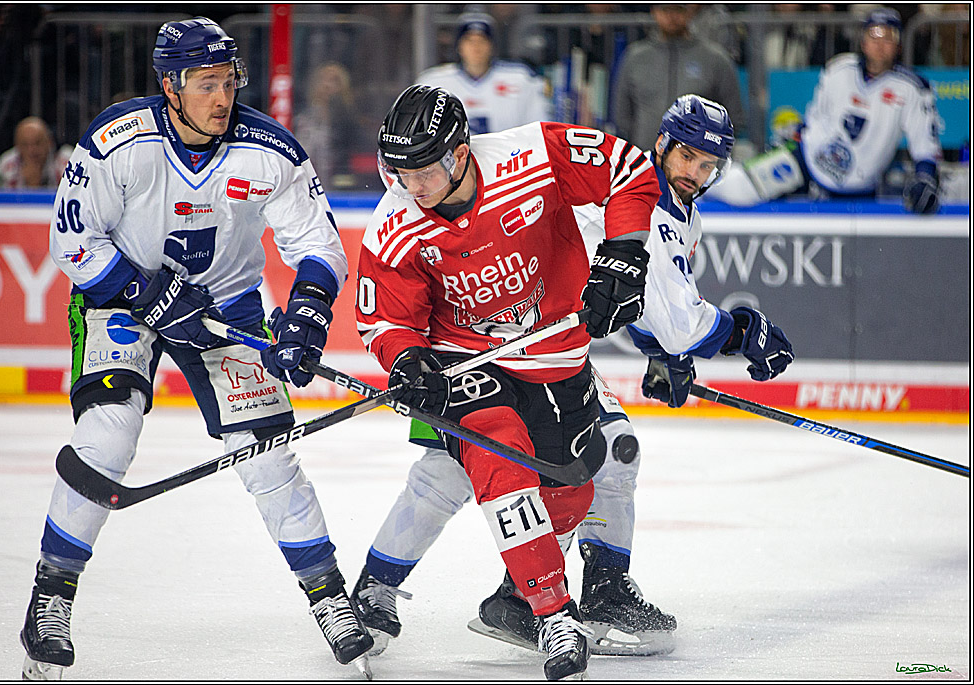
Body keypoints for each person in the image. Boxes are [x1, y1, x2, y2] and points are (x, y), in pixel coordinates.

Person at [346, 94, 797, 668]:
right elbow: (673, 315)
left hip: (550, 352)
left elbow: (629, 293)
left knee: (569, 462)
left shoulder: (664, 205)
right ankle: (562, 594)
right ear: (663, 144)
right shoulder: (641, 205)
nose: (695, 173)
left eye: (708, 165)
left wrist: (660, 350)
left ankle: (518, 592)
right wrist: (737, 333)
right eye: (687, 157)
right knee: (487, 467)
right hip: (470, 355)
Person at [19, 17, 374, 680]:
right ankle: (51, 596)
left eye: (228, 80)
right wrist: (142, 290)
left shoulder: (270, 150)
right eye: (206, 83)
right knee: (108, 435)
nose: (222, 96)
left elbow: (318, 245)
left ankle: (330, 598)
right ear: (170, 86)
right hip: (120, 299)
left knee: (270, 459)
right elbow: (73, 241)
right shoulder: (117, 140)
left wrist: (306, 316)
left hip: (229, 306)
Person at [354, 84, 660, 680]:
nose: (409, 185)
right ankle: (553, 609)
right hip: (463, 365)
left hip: (554, 357)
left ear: (460, 154)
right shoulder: (395, 221)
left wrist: (625, 254)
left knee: (574, 482)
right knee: (498, 456)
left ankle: (513, 600)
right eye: (399, 170)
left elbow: (631, 170)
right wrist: (407, 361)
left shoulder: (534, 155)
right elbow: (385, 317)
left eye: (421, 170)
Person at [708, 8, 944, 214]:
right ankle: (690, 184)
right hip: (806, 158)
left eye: (888, 37)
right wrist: (797, 136)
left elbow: (925, 143)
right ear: (863, 41)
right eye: (874, 35)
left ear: (899, 44)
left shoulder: (913, 89)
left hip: (858, 185)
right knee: (743, 186)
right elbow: (816, 117)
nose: (880, 45)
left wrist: (925, 176)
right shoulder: (839, 68)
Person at [612, 4, 746, 154]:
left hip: (698, 166)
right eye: (665, 9)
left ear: (690, 12)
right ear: (654, 11)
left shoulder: (715, 59)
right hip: (645, 161)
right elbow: (622, 116)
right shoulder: (634, 57)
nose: (671, 16)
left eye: (678, 9)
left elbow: (733, 118)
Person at [416, 11, 550, 134]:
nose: (476, 47)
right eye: (469, 41)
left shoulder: (521, 79)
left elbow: (539, 127)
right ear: (459, 46)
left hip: (508, 156)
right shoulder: (432, 82)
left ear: (492, 46)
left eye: (482, 40)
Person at [0, 116, 73, 188]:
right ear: (17, 146)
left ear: (49, 142)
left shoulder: (68, 161)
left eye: (37, 143)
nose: (32, 151)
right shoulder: (6, 164)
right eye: (25, 145)